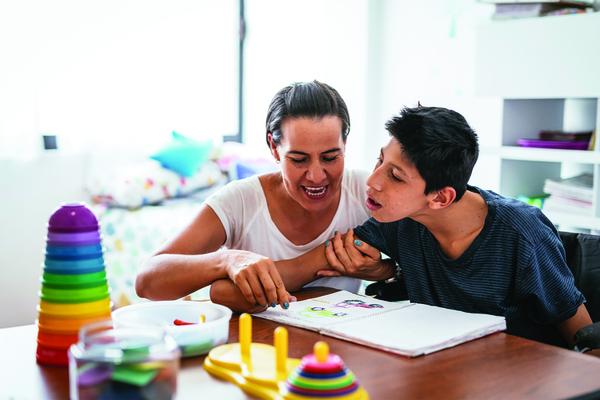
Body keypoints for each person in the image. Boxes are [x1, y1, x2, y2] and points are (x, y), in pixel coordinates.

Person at [297, 105, 592, 348]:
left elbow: (585, 339)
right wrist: (251, 265)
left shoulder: (523, 234)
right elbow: (306, 266)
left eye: (396, 177)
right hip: (444, 367)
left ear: (440, 197)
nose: (373, 180)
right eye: (380, 160)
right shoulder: (402, 218)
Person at [135, 80, 371, 313]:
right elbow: (147, 282)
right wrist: (227, 261)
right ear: (274, 147)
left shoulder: (365, 191)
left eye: (330, 157)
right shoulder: (240, 202)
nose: (317, 176)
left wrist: (386, 270)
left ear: (345, 144)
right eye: (299, 160)